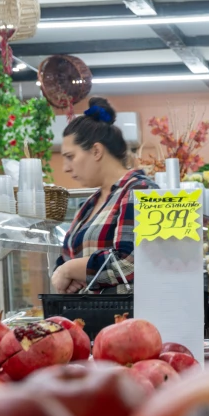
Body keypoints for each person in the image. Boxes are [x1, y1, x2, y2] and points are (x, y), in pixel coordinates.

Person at [52, 97, 156, 294]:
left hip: (125, 319)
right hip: (87, 319)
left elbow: (131, 263)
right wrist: (64, 271)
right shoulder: (89, 205)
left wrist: (70, 270)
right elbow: (65, 259)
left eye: (70, 157)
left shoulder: (140, 191)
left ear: (96, 151)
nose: (65, 168)